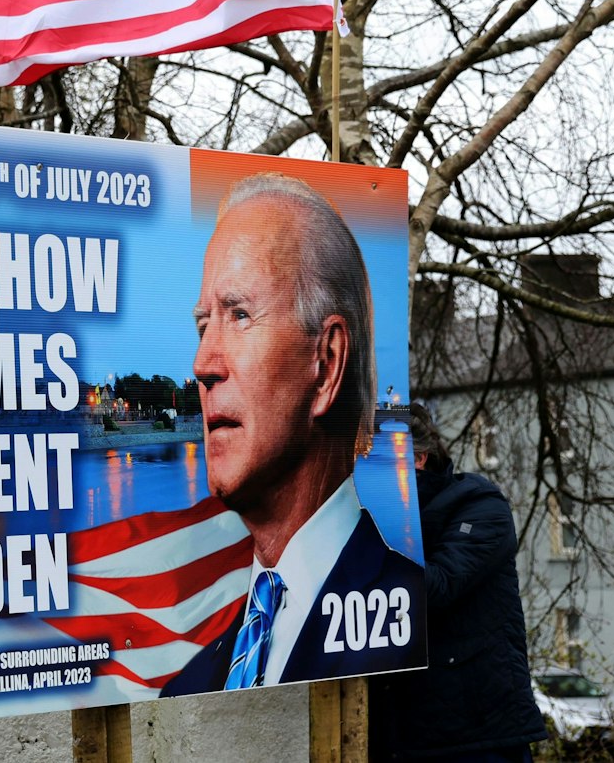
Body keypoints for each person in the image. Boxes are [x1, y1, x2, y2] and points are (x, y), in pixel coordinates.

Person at [162, 173, 423, 695]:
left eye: (239, 315)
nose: (202, 364)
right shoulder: (187, 688)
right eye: (201, 326)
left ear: (326, 363)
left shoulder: (424, 629)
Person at [369, 403, 545, 763]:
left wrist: (367, 533)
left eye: (375, 463)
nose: (365, 476)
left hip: (478, 739)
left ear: (417, 459)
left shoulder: (479, 506)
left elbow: (434, 587)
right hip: (405, 738)